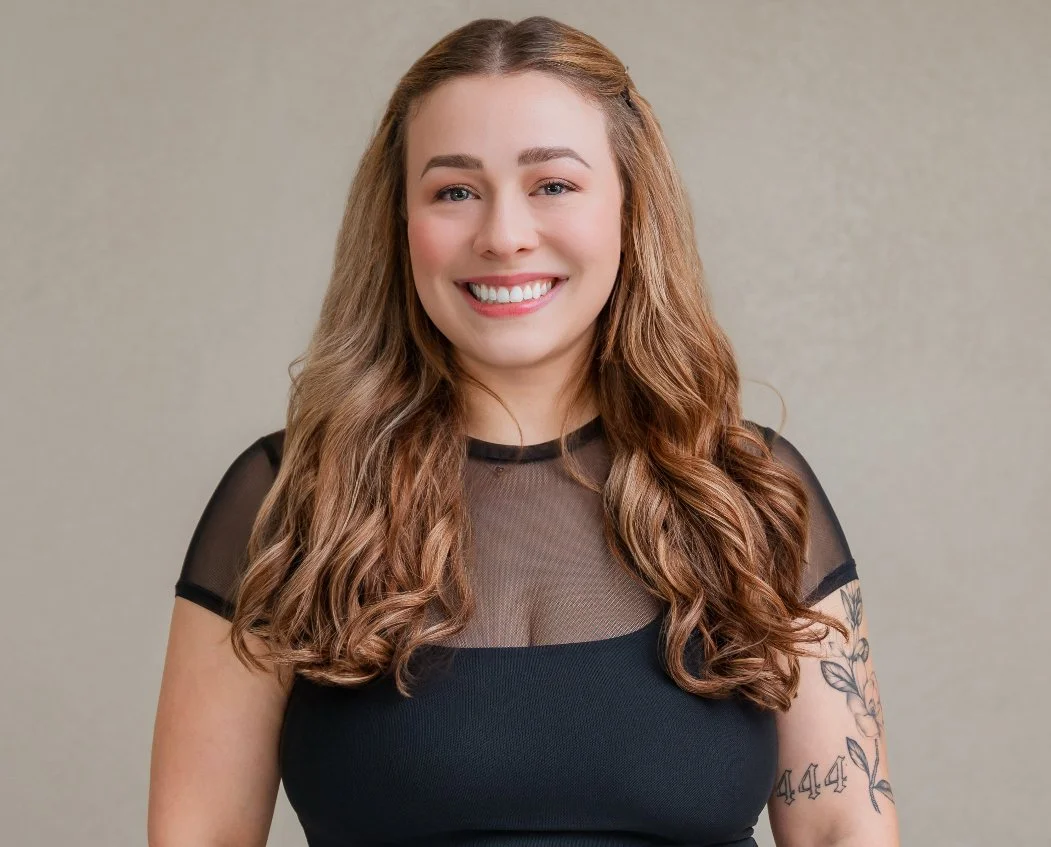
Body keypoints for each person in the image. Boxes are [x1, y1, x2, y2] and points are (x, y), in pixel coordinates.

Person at [149, 15, 900, 847]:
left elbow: (839, 827)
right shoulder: (288, 503)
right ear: (398, 223)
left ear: (630, 208)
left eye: (552, 185)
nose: (504, 235)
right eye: (454, 191)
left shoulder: (751, 493)